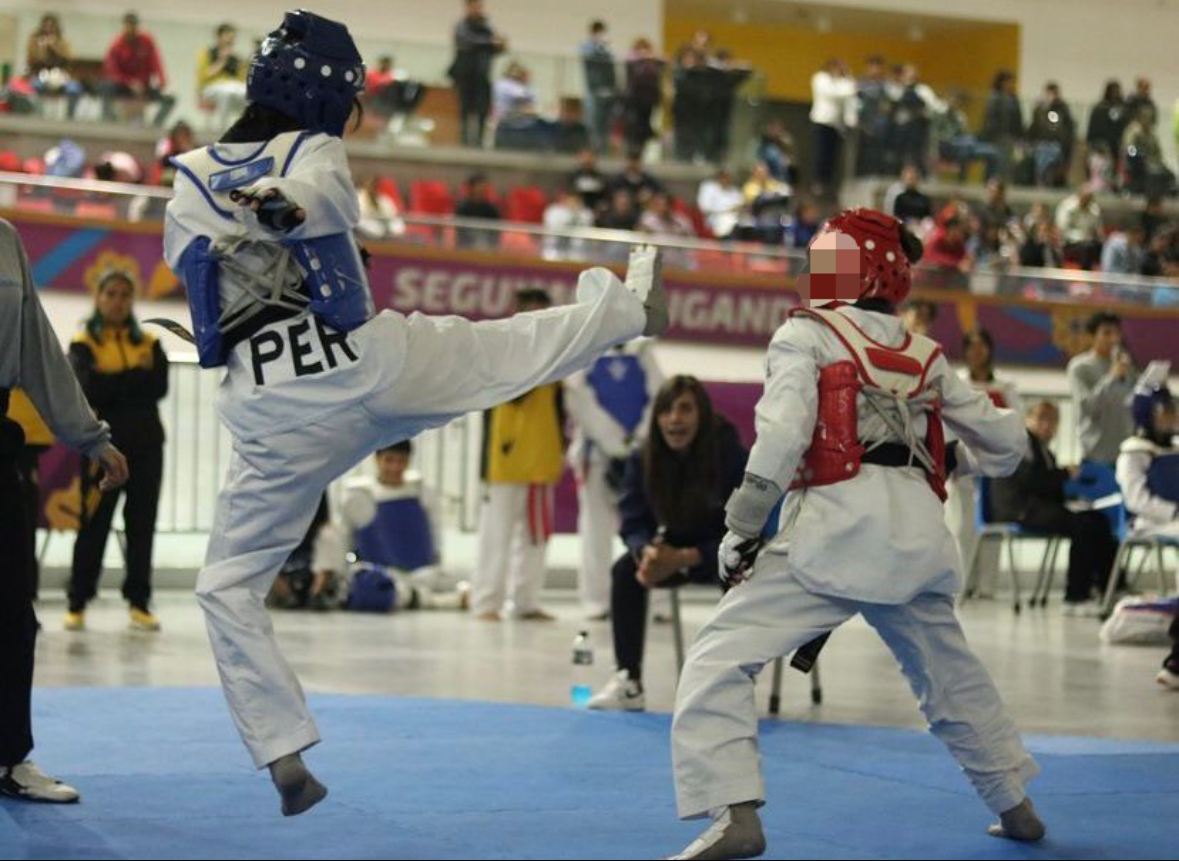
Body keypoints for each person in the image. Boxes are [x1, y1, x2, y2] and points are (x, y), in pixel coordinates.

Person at [162, 10, 668, 816]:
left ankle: (282, 750)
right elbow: (317, 198)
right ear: (328, 93)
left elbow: (200, 270)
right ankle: (623, 313)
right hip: (357, 367)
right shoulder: (313, 150)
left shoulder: (185, 176)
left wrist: (268, 210)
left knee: (226, 583)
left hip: (266, 408)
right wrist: (282, 206)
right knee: (495, 353)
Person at [667, 208, 1045, 859]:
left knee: (716, 659)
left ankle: (734, 810)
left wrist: (740, 526)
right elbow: (1010, 440)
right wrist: (960, 458)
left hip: (831, 541)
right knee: (952, 682)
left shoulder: (806, 336)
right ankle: (1015, 806)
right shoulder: (924, 355)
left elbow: (782, 435)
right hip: (916, 547)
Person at [1, 219, 129, 802]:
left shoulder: (6, 241)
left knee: (10, 609)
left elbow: (37, 349)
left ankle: (7, 758)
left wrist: (91, 438)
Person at [588, 376, 747, 709]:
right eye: (666, 411)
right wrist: (646, 553)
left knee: (743, 577)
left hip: (723, 550)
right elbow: (632, 520)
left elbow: (748, 529)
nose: (674, 419)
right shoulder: (643, 456)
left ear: (702, 415)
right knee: (624, 572)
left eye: (685, 409)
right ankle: (628, 680)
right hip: (670, 549)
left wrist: (689, 557)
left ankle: (731, 683)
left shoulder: (729, 452)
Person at [64, 266, 168, 631]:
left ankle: (139, 601)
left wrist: (117, 383)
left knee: (142, 524)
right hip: (101, 448)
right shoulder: (83, 342)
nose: (118, 302)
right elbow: (89, 389)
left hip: (147, 446)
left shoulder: (150, 342)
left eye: (125, 295)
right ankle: (77, 600)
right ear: (98, 297)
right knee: (93, 523)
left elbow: (158, 387)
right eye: (111, 294)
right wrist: (133, 380)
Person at [472, 289, 567, 623]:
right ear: (517, 313)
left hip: (541, 460)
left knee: (536, 538)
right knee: (495, 536)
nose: (538, 319)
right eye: (532, 312)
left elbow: (561, 410)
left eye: (544, 312)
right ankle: (486, 602)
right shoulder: (502, 349)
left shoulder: (558, 356)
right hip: (504, 461)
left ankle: (526, 601)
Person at [991, 401, 1117, 614]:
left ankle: (1109, 588)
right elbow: (1033, 480)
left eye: (1052, 421)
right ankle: (1075, 596)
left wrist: (1076, 499)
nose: (1046, 425)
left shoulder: (1044, 452)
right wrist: (1065, 473)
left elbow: (1049, 487)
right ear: (1028, 419)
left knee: (1098, 520)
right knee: (1083, 526)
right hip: (1019, 509)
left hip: (1039, 507)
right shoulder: (1021, 443)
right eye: (1041, 418)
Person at [565, 342, 663, 619]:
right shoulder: (586, 351)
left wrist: (636, 440)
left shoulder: (642, 351)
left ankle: (658, 602)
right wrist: (613, 440)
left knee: (651, 527)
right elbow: (577, 397)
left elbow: (658, 397)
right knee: (595, 531)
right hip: (595, 456)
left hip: (640, 455)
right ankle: (596, 601)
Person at [315, 441, 465, 611]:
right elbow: (344, 540)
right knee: (372, 591)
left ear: (408, 461)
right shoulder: (359, 496)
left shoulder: (423, 492)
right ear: (377, 460)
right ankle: (440, 600)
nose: (395, 467)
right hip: (383, 579)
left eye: (401, 461)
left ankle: (424, 598)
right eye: (389, 460)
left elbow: (435, 536)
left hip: (424, 575)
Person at [945, 329, 1022, 597]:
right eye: (972, 347)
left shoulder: (1006, 388)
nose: (977, 353)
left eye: (982, 347)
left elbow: (1015, 423)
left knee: (992, 527)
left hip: (996, 471)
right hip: (964, 468)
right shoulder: (956, 384)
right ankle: (963, 584)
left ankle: (988, 586)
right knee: (963, 528)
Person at [1067, 312, 1136, 466]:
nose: (1113, 338)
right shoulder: (1080, 367)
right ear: (1092, 336)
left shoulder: (1127, 367)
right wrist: (1111, 378)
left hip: (1125, 450)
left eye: (1116, 333)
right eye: (1106, 333)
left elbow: (1134, 403)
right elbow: (1088, 407)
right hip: (1096, 451)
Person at [1116, 376, 1179, 541]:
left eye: (1173, 410)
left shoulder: (1174, 448)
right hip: (1151, 522)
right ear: (1145, 414)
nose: (1172, 416)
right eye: (1165, 411)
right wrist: (1173, 510)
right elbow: (1136, 500)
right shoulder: (1133, 453)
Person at [98, 12, 175, 128]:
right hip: (123, 86)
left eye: (133, 26)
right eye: (128, 25)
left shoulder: (146, 41)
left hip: (144, 86)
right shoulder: (117, 44)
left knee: (170, 98)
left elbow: (156, 63)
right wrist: (129, 82)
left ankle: (155, 125)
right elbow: (112, 71)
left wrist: (162, 82)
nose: (130, 29)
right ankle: (108, 121)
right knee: (105, 86)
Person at [448, 0, 505, 147]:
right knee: (465, 108)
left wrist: (497, 44)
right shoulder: (462, 26)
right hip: (466, 74)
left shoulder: (486, 27)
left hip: (482, 74)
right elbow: (466, 41)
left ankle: (479, 140)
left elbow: (497, 46)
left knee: (482, 109)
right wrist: (489, 42)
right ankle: (464, 139)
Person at [809, 58, 856, 195]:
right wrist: (848, 83)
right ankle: (817, 183)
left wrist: (847, 77)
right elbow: (837, 93)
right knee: (821, 154)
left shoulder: (841, 82)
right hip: (822, 121)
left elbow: (849, 97)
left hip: (836, 125)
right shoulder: (820, 78)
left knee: (832, 157)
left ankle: (828, 184)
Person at [622, 39, 665, 158]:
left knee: (646, 128)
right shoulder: (633, 62)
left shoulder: (653, 64)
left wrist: (651, 58)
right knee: (635, 127)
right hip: (634, 101)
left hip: (649, 101)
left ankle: (642, 153)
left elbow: (662, 63)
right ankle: (632, 154)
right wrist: (640, 58)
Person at [197, 23, 247, 126]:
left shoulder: (235, 58)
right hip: (211, 87)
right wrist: (222, 60)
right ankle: (221, 130)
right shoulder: (207, 53)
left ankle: (245, 128)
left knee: (248, 96)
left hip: (233, 87)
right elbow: (204, 76)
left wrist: (244, 65)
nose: (230, 40)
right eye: (227, 37)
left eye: (232, 38)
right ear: (219, 37)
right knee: (227, 94)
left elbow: (241, 80)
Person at [581, 21, 618, 155]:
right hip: (593, 92)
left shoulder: (606, 49)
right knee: (593, 124)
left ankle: (605, 152)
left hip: (607, 92)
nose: (601, 36)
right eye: (598, 33)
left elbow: (611, 67)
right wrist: (598, 44)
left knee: (606, 125)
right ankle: (593, 152)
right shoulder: (587, 46)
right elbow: (589, 56)